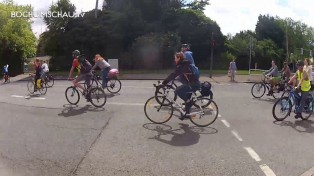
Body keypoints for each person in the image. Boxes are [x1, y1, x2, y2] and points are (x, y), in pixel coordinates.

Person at [161, 52, 200, 120]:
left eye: (175, 58)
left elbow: (174, 74)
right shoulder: (183, 64)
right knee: (187, 98)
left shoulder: (183, 65)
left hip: (193, 85)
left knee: (178, 90)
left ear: (179, 58)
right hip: (192, 84)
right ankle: (186, 115)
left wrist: (164, 82)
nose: (174, 60)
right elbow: (176, 75)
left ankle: (189, 103)